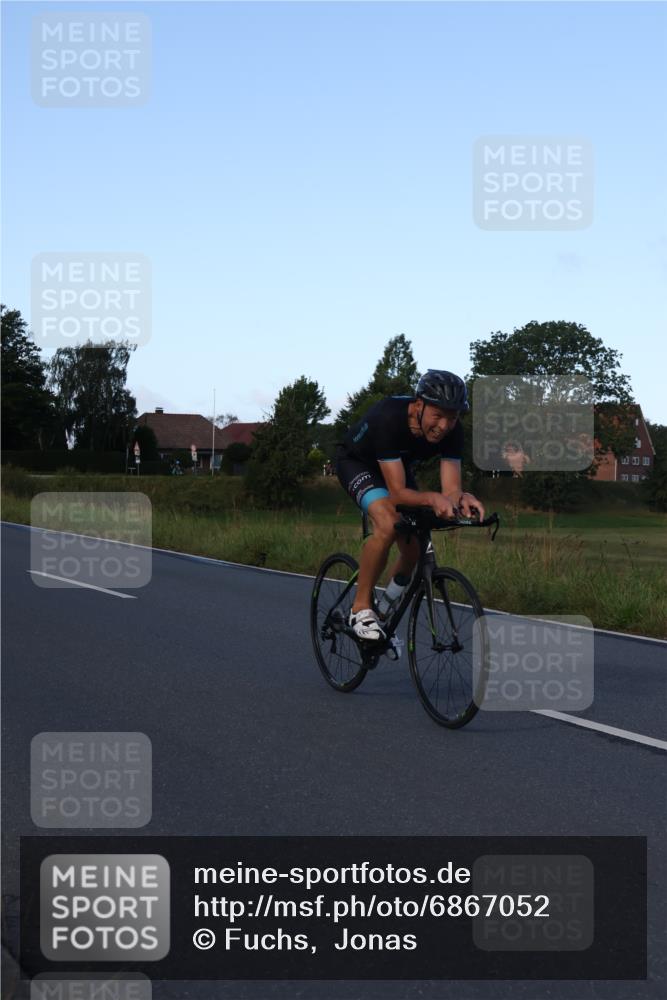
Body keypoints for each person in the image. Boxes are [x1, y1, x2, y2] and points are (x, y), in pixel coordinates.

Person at [335, 370, 485, 641]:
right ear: (418, 405)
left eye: (452, 418)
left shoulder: (453, 431)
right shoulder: (389, 418)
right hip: (357, 463)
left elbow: (450, 489)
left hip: (397, 468)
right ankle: (360, 608)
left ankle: (381, 613)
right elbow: (396, 494)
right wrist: (431, 498)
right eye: (437, 415)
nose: (444, 425)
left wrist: (462, 498)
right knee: (389, 523)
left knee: (413, 547)